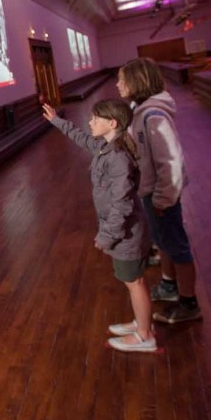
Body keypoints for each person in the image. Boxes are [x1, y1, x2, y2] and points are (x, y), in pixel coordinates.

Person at [42, 99, 155, 352]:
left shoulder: (118, 158)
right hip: (122, 233)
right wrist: (56, 121)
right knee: (132, 280)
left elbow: (122, 205)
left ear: (112, 123)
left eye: (95, 119)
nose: (90, 122)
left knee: (134, 282)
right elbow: (82, 138)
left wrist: (106, 237)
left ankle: (145, 335)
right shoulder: (107, 147)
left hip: (126, 234)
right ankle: (142, 322)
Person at [117, 58, 201, 324]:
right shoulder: (141, 112)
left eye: (121, 79)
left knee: (177, 247)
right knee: (162, 241)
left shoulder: (153, 116)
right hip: (151, 192)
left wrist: (164, 198)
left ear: (137, 81)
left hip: (160, 196)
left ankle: (189, 303)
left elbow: (170, 162)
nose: (117, 84)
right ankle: (169, 284)